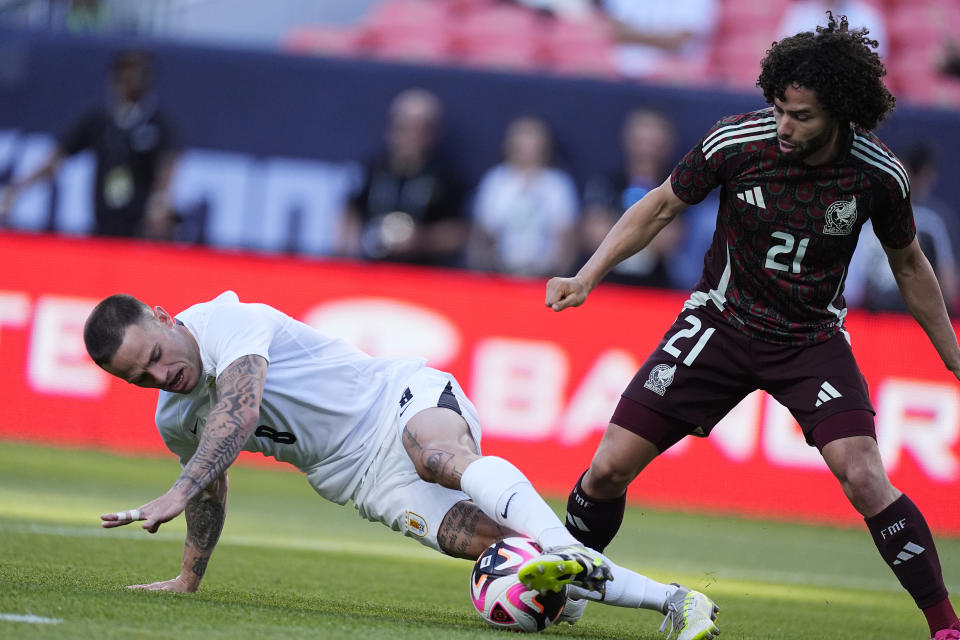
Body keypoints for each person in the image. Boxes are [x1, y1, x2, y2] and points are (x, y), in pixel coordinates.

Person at [545, 13, 960, 640]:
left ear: (842, 113)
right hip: (719, 322)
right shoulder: (736, 143)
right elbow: (660, 205)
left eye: (802, 116)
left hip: (810, 341)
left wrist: (952, 356)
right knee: (606, 470)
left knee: (865, 476)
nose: (785, 126)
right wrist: (587, 275)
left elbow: (910, 265)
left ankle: (945, 626)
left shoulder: (878, 176)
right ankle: (568, 583)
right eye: (779, 109)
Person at [83, 291, 721, 639]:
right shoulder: (173, 416)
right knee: (496, 550)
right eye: (140, 377)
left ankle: (562, 543)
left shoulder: (225, 321)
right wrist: (189, 576)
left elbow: (239, 412)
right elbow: (210, 492)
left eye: (157, 355)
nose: (162, 375)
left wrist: (178, 484)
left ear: (166, 318)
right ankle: (677, 601)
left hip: (396, 401)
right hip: (362, 480)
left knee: (441, 457)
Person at [0, 50, 178, 239]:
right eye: (127, 73)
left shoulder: (159, 125)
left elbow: (167, 168)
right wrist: (18, 187)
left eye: (139, 73)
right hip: (103, 225)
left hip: (140, 230)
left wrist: (159, 203)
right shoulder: (98, 121)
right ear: (115, 78)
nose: (133, 80)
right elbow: (55, 160)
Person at [339, 88, 466, 267]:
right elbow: (350, 213)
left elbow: (460, 232)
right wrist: (349, 252)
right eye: (403, 127)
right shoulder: (374, 167)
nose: (410, 135)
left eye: (419, 128)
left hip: (422, 273)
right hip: (370, 268)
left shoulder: (445, 175)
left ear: (433, 133)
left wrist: (422, 241)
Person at [846, 143, 958, 314]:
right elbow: (949, 291)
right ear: (924, 174)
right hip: (917, 321)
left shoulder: (867, 218)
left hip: (874, 321)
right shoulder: (934, 223)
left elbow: (852, 291)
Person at [467, 116, 579, 277]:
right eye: (521, 143)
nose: (528, 149)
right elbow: (481, 233)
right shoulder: (496, 180)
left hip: (543, 275)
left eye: (533, 142)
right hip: (500, 272)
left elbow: (567, 237)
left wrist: (558, 277)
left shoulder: (557, 184)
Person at [597, 0, 718, 80]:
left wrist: (631, 36)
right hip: (624, 76)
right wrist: (660, 39)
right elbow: (616, 33)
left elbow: (678, 42)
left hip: (676, 82)